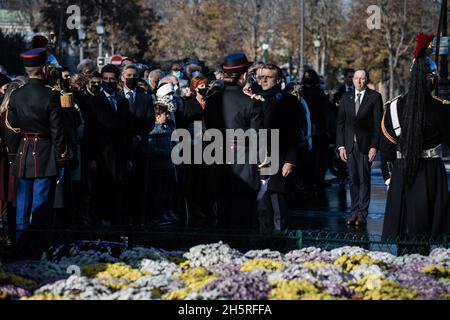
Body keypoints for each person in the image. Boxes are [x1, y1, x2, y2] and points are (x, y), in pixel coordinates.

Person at [381, 34, 450, 252]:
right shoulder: (441, 108)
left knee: (404, 231)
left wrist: (389, 179)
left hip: (400, 172)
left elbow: (386, 149)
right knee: (425, 231)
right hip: (429, 171)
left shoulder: (393, 107)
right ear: (431, 79)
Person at [6, 48, 66, 258]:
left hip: (23, 152)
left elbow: (12, 129)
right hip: (44, 152)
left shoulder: (16, 95)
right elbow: (58, 131)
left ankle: (21, 247)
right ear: (42, 69)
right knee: (41, 206)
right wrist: (61, 157)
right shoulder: (51, 96)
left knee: (23, 206)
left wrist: (13, 156)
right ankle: (37, 248)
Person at [203, 53, 264, 231]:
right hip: (244, 167)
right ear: (244, 75)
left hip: (218, 165)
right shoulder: (251, 103)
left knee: (223, 220)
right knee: (245, 221)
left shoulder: (211, 101)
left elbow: (208, 132)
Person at [257, 64, 301, 234]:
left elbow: (295, 133)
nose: (264, 80)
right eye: (261, 77)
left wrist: (290, 161)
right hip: (259, 159)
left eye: (268, 77)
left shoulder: (288, 101)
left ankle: (281, 244)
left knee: (278, 207)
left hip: (279, 157)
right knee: (261, 207)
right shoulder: (254, 99)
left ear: (278, 80)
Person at [85, 64, 132, 226]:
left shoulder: (123, 102)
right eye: (105, 79)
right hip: (101, 156)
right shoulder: (93, 102)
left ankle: (117, 222)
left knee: (120, 190)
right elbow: (90, 132)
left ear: (117, 80)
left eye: (111, 79)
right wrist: (91, 158)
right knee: (102, 190)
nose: (108, 82)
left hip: (120, 154)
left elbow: (127, 131)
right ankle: (101, 222)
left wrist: (128, 157)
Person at [336, 69, 383, 226]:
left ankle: (362, 213)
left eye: (362, 79)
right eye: (356, 78)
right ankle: (354, 212)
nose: (359, 81)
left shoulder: (375, 97)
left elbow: (378, 125)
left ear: (366, 80)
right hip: (349, 145)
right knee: (353, 179)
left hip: (365, 146)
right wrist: (341, 146)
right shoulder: (346, 97)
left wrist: (374, 147)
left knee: (364, 179)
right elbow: (340, 124)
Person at [119, 64, 154, 225]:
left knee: (141, 188)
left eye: (134, 76)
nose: (131, 78)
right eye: (128, 75)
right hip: (121, 149)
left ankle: (140, 221)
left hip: (140, 148)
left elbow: (150, 121)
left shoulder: (145, 97)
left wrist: (140, 137)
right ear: (122, 77)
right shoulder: (117, 97)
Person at [183, 76, 215, 228]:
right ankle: (196, 211)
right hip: (193, 146)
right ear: (195, 87)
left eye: (206, 85)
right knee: (193, 180)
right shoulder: (188, 104)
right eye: (201, 85)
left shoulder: (212, 104)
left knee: (209, 180)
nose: (204, 88)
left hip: (211, 145)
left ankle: (209, 210)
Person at [145, 103, 177, 227]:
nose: (168, 115)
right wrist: (169, 153)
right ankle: (157, 215)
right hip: (159, 166)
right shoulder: (153, 130)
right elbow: (152, 148)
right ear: (157, 116)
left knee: (167, 192)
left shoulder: (167, 128)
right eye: (165, 114)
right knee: (158, 192)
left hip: (168, 166)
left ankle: (165, 211)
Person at [0, 82, 21, 235]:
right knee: (12, 198)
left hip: (6, 160)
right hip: (14, 159)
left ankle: (7, 231)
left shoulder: (2, 114)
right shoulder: (15, 115)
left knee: (8, 198)